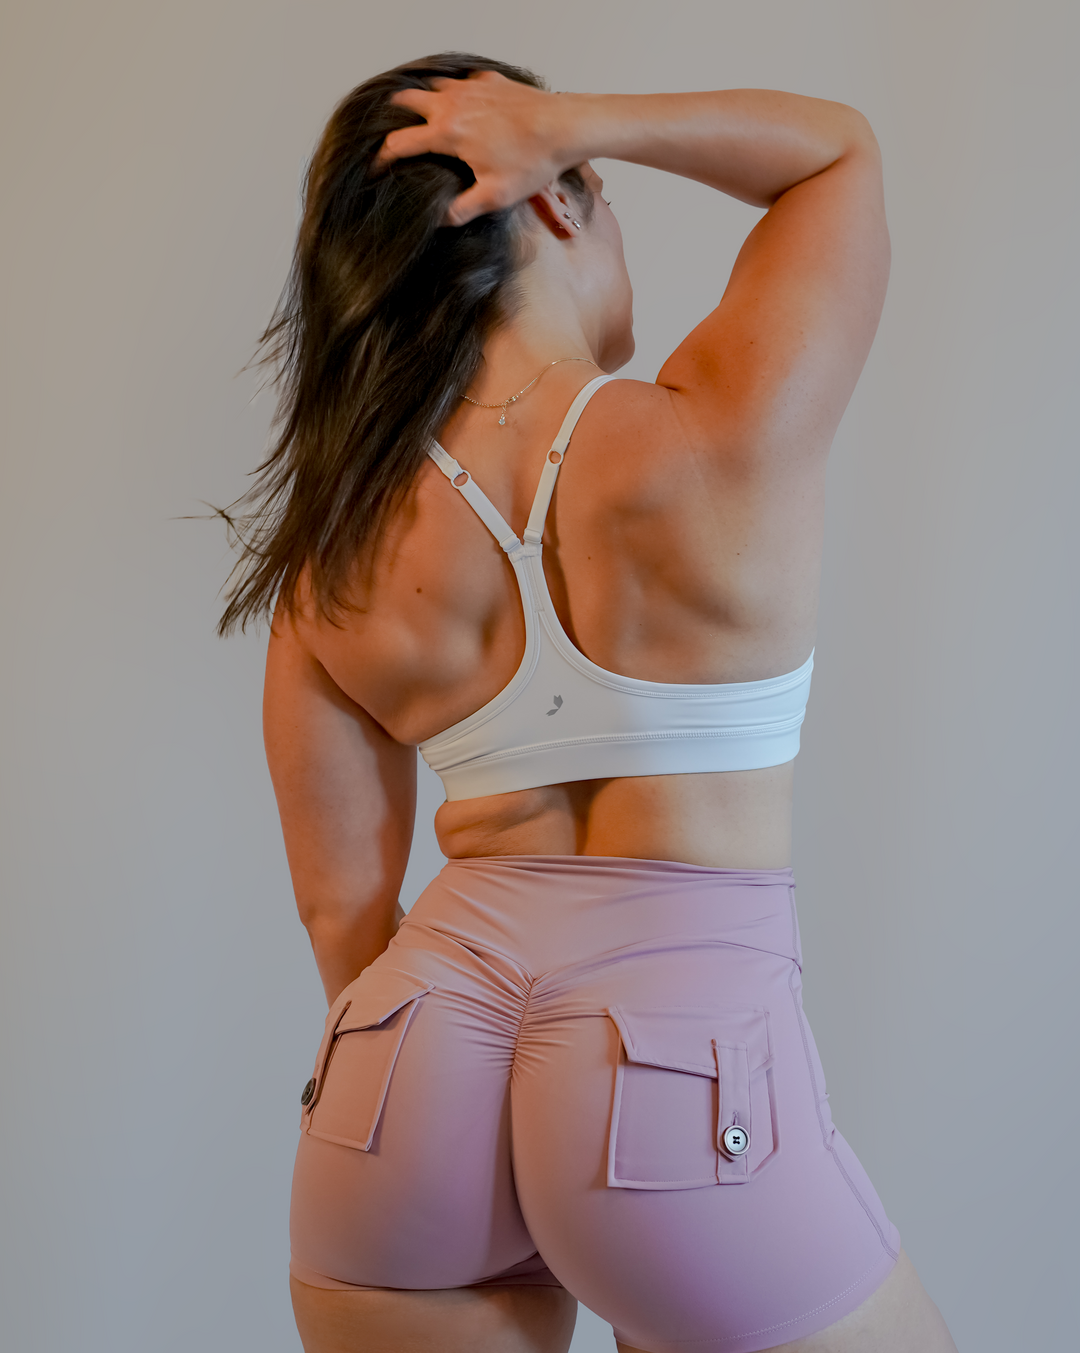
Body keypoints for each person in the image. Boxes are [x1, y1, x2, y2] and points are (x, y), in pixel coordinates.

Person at [226, 52, 958, 1353]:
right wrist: (572, 125)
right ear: (553, 200)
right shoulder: (715, 429)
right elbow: (839, 155)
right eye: (595, 187)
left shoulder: (333, 552)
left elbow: (344, 913)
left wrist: (467, 1094)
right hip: (679, 1072)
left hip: (408, 1062)